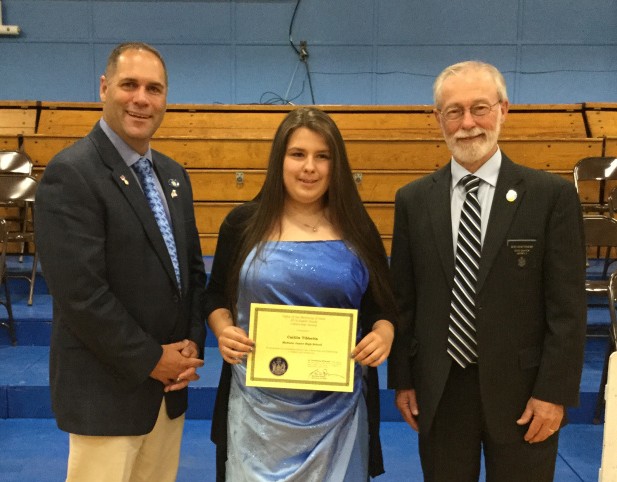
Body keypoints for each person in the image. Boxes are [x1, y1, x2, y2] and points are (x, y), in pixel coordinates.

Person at [388, 60, 587, 482]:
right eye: (453, 111)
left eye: (480, 108)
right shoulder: (413, 200)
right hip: (440, 390)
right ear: (437, 119)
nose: (467, 124)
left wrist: (553, 393)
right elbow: (405, 300)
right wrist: (403, 380)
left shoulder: (550, 197)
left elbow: (567, 308)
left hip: (524, 392)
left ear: (503, 110)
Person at [34, 42, 207, 482]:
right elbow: (81, 296)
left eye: (154, 88)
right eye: (129, 85)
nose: (141, 99)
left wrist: (190, 345)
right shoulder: (71, 173)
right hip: (105, 394)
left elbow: (190, 273)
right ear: (104, 87)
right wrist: (152, 358)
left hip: (167, 393)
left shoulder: (174, 176)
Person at [204, 107, 397, 481]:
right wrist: (223, 329)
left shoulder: (358, 228)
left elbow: (384, 308)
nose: (310, 167)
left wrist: (384, 333)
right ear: (280, 160)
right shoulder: (242, 224)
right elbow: (215, 298)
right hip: (256, 412)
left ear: (335, 165)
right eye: (298, 154)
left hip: (339, 413)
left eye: (322, 156)